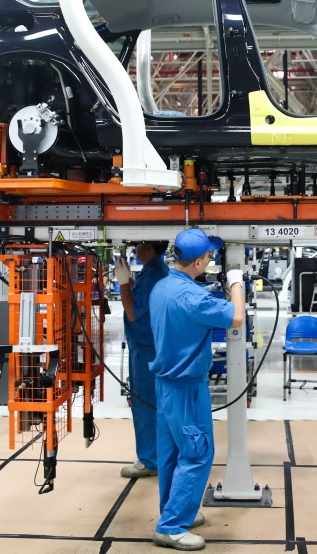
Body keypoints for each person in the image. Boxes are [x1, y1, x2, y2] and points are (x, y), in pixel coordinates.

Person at [148, 228, 245, 551]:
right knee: (198, 452)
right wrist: (236, 283)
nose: (211, 260)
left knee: (171, 454)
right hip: (187, 386)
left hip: (165, 384)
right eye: (210, 257)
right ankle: (172, 526)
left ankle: (176, 510)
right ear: (200, 262)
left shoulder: (163, 286)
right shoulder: (193, 298)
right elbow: (237, 316)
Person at [116, 241, 171, 479]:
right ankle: (160, 455)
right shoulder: (156, 269)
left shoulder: (154, 274)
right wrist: (129, 281)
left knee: (145, 402)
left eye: (138, 244)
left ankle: (150, 460)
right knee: (154, 402)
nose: (136, 248)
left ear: (148, 247)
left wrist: (122, 284)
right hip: (151, 344)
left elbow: (132, 311)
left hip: (146, 347)